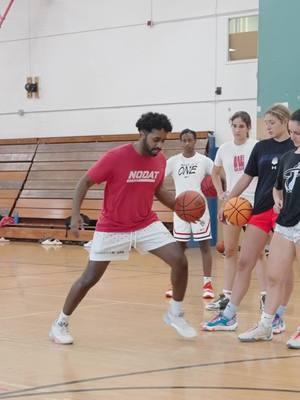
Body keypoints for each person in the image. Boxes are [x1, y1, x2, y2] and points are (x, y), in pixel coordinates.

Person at [49, 112, 197, 344]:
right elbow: (84, 182)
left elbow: (157, 190)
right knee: (89, 278)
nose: (160, 145)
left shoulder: (159, 160)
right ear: (142, 134)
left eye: (163, 141)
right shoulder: (116, 157)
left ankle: (175, 313)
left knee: (180, 260)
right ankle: (60, 324)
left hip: (145, 223)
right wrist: (75, 215)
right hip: (113, 227)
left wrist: (182, 209)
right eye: (156, 140)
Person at [203, 104, 295, 332]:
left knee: (283, 268)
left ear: (285, 122)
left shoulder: (295, 147)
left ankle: (277, 316)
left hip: (287, 214)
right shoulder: (262, 147)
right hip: (261, 209)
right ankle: (229, 315)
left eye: (272, 123)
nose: (268, 127)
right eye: (266, 123)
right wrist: (228, 201)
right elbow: (246, 177)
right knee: (245, 262)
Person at [238, 109, 300, 347]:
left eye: (298, 133)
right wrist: (277, 197)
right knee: (274, 277)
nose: (293, 137)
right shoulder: (287, 158)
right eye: (292, 132)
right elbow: (277, 187)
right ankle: (266, 325)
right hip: (285, 223)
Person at [206, 111, 266, 311]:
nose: (237, 130)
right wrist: (221, 193)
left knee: (257, 253)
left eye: (241, 126)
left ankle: (265, 295)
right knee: (230, 251)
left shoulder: (257, 146)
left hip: (254, 204)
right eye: (234, 126)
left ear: (248, 127)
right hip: (233, 205)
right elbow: (215, 173)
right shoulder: (224, 149)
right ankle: (227, 295)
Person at [164, 129, 215, 300]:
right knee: (179, 248)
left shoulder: (204, 161)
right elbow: (158, 181)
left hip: (199, 209)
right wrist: (171, 199)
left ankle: (207, 285)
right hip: (180, 209)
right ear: (180, 142)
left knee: (204, 246)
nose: (187, 143)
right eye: (184, 140)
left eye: (190, 140)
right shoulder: (173, 162)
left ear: (195, 141)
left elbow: (218, 175)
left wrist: (216, 186)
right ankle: (175, 284)